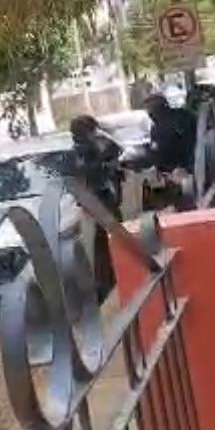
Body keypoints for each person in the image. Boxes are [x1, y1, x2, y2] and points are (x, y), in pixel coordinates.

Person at [69, 114, 122, 303]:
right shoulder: (80, 152)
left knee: (105, 244)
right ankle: (107, 284)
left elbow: (115, 151)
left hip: (101, 200)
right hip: (96, 202)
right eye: (91, 130)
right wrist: (102, 160)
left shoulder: (93, 147)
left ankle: (110, 281)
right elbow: (86, 172)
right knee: (104, 245)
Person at [143, 93, 197, 174]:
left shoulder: (159, 130)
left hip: (183, 169)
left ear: (153, 111)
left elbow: (159, 156)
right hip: (200, 159)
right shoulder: (183, 114)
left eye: (149, 111)